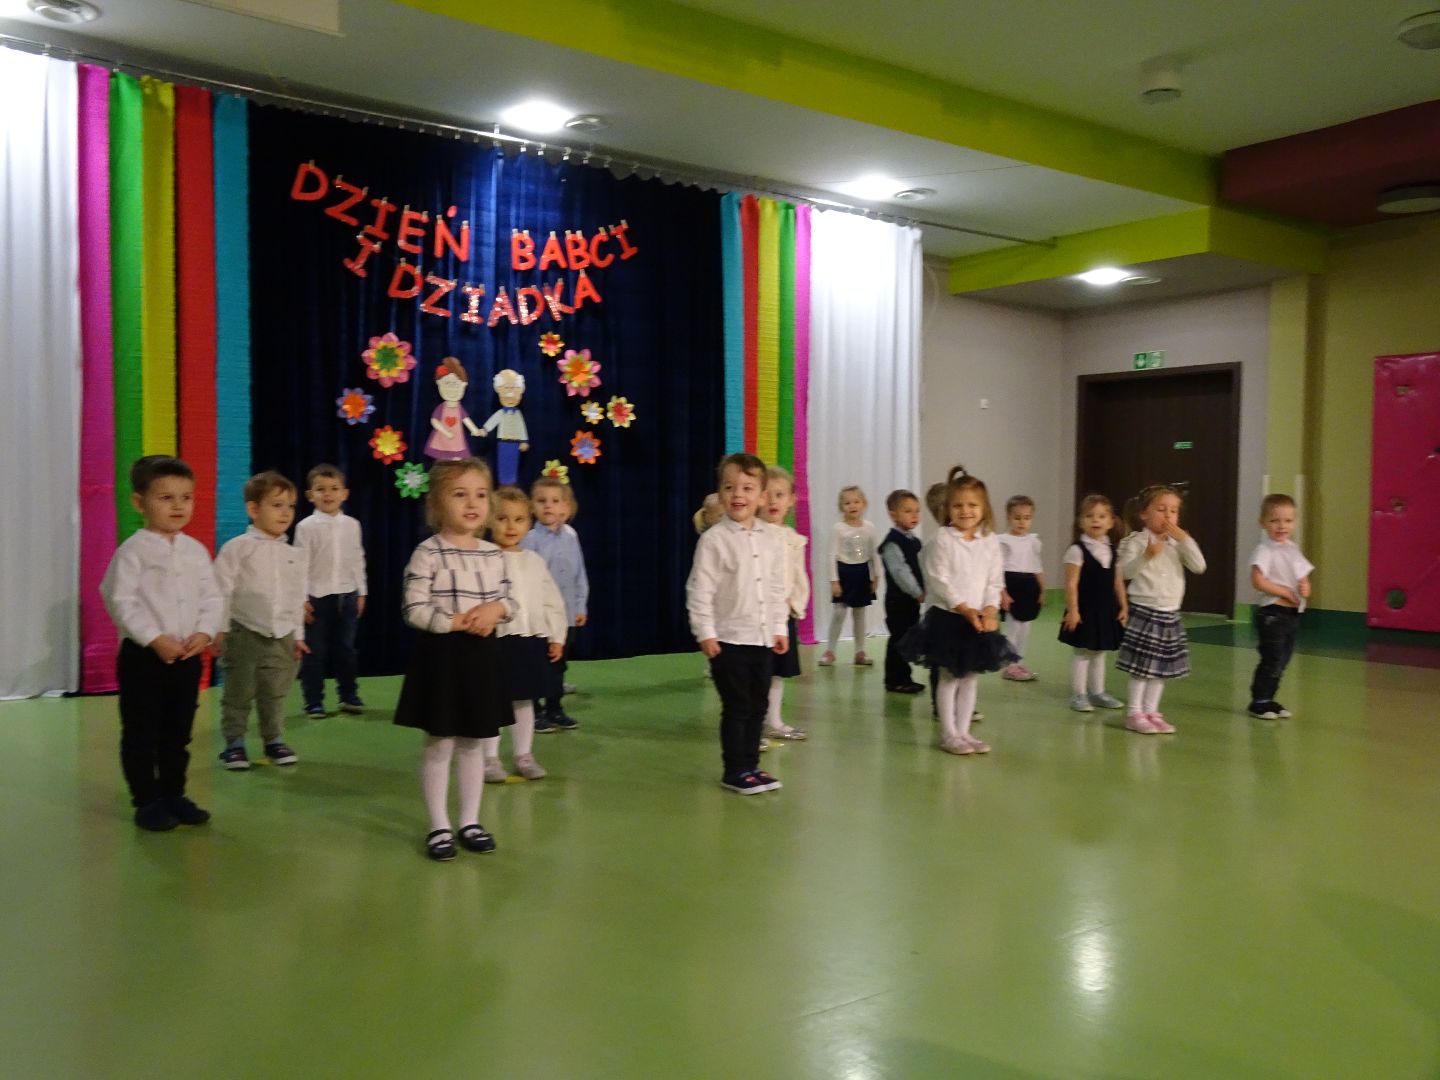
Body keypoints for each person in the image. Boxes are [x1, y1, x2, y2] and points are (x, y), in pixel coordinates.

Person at [393, 457, 515, 861]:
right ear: (435, 503)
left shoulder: (493, 554)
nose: (472, 503)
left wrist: (496, 610)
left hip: (482, 658)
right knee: (440, 742)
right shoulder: (427, 553)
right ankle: (439, 826)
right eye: (459, 494)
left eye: (480, 494)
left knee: (473, 743)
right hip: (442, 658)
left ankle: (469, 820)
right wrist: (455, 621)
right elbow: (413, 608)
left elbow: (510, 600)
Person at [100, 456, 223, 830]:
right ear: (140, 503)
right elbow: (120, 600)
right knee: (141, 733)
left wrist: (204, 632)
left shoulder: (195, 550)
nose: (178, 506)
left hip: (187, 657)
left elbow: (212, 597)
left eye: (186, 497)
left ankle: (174, 794)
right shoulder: (132, 551)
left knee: (177, 733)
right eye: (166, 498)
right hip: (144, 659)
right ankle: (147, 800)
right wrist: (154, 639)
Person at [687, 452, 789, 794]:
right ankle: (734, 770)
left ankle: (752, 766)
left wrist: (779, 627)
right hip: (728, 639)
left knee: (758, 704)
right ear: (720, 493)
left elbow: (776, 588)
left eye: (747, 488)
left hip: (761, 639)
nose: (738, 494)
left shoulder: (771, 538)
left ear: (762, 496)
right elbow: (700, 589)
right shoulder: (714, 540)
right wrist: (706, 632)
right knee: (738, 706)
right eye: (729, 487)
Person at [901, 466, 1016, 755]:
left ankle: (964, 732)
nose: (965, 511)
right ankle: (949, 733)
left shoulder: (990, 540)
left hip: (979, 618)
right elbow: (939, 580)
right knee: (950, 676)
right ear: (948, 509)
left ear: (984, 508)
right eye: (958, 506)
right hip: (950, 618)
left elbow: (994, 580)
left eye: (972, 505)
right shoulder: (942, 538)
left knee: (971, 677)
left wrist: (990, 609)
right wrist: (964, 609)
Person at [213, 472, 308, 770]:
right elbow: (221, 590)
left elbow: (297, 597)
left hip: (282, 634)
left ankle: (273, 739)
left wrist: (299, 635)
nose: (285, 513)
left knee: (274, 692)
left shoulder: (294, 554)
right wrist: (219, 629)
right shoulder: (237, 548)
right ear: (253, 509)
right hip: (244, 631)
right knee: (238, 692)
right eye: (277, 505)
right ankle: (234, 743)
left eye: (290, 506)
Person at [483, 486, 566, 781]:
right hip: (496, 640)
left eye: (518, 519)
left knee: (524, 700)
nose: (510, 526)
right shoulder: (484, 557)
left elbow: (551, 601)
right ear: (489, 520)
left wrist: (556, 637)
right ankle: (489, 759)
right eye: (502, 518)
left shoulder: (534, 561)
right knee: (494, 701)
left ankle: (523, 755)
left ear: (528, 523)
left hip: (529, 640)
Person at [1115, 484, 1207, 734]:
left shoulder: (1178, 544)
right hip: (1145, 610)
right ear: (1144, 513)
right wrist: (1147, 555)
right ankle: (1134, 713)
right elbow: (1125, 572)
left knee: (1161, 668)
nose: (1168, 515)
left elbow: (1199, 566)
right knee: (1142, 668)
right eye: (1161, 509)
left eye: (1173, 511)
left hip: (1170, 612)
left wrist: (1185, 539)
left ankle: (1151, 711)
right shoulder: (1136, 541)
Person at [295, 464, 367, 719]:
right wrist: (300, 599)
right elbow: (299, 565)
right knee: (315, 652)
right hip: (317, 597)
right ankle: (313, 701)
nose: (328, 494)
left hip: (347, 595)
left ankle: (348, 695)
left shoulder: (352, 525)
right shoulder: (306, 527)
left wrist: (362, 592)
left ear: (344, 494)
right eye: (321, 489)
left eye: (334, 488)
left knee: (346, 649)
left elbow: (357, 558)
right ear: (310, 495)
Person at [521, 476, 588, 731]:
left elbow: (579, 573)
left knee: (558, 664)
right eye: (541, 501)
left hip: (566, 615)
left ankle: (555, 708)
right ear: (532, 506)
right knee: (538, 663)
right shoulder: (530, 540)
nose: (548, 506)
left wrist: (580, 606)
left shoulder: (571, 536)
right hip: (540, 617)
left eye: (555, 501)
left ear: (565, 507)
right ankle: (534, 712)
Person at [1058, 494, 1128, 712]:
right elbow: (1071, 584)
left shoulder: (1112, 550)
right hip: (1085, 610)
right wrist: (1073, 610)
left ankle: (1097, 692)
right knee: (1082, 652)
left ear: (1111, 522)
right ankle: (1078, 694)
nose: (1095, 520)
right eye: (1089, 516)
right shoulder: (1077, 550)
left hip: (1106, 610)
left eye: (1101, 516)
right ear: (1081, 522)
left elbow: (1117, 581)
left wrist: (1124, 606)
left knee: (1099, 651)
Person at [1247, 494, 1313, 720]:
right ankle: (1259, 701)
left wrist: (1305, 587)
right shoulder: (1265, 550)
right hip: (1272, 613)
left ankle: (1269, 698)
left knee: (1282, 660)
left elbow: (1302, 577)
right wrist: (1284, 592)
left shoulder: (1292, 549)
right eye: (1275, 520)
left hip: (1291, 615)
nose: (1281, 526)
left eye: (1288, 521)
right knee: (1272, 658)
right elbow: (1258, 581)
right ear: (1263, 523)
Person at [760, 466, 809, 742]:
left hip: (783, 614)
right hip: (759, 615)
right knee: (758, 672)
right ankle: (754, 725)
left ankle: (774, 721)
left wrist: (796, 603)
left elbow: (799, 576)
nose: (773, 501)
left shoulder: (792, 539)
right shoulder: (754, 534)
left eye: (780, 495)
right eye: (767, 495)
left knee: (777, 672)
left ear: (791, 500)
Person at [819, 486, 881, 667]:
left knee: (860, 613)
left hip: (862, 573)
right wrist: (834, 580)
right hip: (844, 572)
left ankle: (860, 651)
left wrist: (876, 576)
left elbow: (875, 554)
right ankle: (830, 651)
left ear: (864, 504)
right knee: (839, 612)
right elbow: (831, 555)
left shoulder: (870, 528)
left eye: (856, 501)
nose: (852, 505)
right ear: (841, 507)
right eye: (847, 503)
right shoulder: (838, 529)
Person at [878, 489, 926, 694]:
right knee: (899, 639)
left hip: (911, 601)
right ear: (893, 514)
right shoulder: (892, 543)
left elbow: (921, 568)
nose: (914, 515)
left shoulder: (914, 542)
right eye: (908, 511)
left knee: (907, 638)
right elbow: (901, 573)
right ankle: (895, 679)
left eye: (917, 511)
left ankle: (904, 677)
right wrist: (917, 591)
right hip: (898, 601)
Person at [998, 495, 1045, 681]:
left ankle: (1019, 662)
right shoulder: (1003, 541)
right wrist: (1003, 593)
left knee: (1025, 628)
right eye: (1017, 518)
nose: (1022, 522)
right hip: (1011, 584)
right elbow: (997, 569)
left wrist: (1042, 590)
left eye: (1027, 518)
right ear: (1008, 517)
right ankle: (1009, 665)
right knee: (1013, 628)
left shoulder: (1033, 541)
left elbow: (1037, 567)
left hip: (1029, 586)